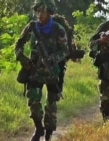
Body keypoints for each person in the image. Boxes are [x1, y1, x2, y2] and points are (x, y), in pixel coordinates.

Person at [14, 0, 69, 140]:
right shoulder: (32, 27)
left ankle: (49, 132)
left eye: (42, 11)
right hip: (35, 70)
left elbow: (64, 51)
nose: (39, 14)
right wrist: (21, 57)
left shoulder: (58, 29)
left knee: (51, 105)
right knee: (33, 100)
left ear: (49, 12)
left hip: (52, 71)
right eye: (37, 11)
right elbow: (19, 43)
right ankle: (39, 128)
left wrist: (52, 58)